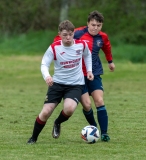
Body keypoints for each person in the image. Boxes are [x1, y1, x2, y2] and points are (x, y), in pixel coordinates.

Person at [27, 20, 94, 144]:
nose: (68, 37)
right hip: (57, 84)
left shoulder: (81, 45)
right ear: (59, 34)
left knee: (69, 109)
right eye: (64, 35)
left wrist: (89, 70)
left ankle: (57, 122)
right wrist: (47, 76)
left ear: (74, 33)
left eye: (70, 34)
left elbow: (87, 55)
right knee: (46, 112)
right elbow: (44, 64)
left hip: (75, 85)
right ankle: (33, 138)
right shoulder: (54, 47)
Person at [54, 10, 115, 142]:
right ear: (88, 23)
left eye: (99, 25)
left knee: (99, 101)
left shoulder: (102, 37)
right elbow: (59, 39)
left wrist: (110, 61)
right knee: (87, 105)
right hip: (78, 76)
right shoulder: (77, 33)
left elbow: (107, 47)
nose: (95, 28)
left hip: (95, 73)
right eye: (93, 25)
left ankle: (104, 133)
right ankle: (94, 129)